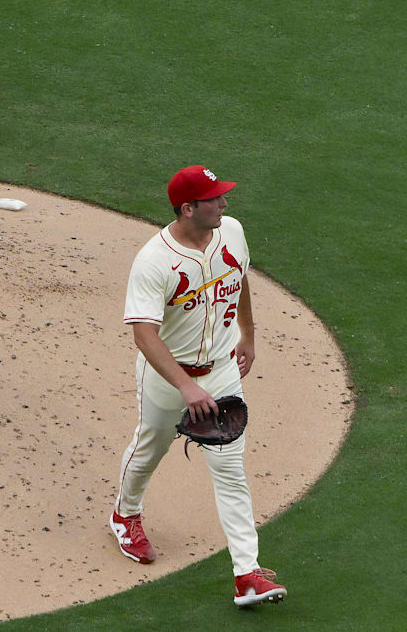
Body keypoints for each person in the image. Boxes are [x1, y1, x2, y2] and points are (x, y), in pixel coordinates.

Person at [110, 165, 287, 607]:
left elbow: (238, 276)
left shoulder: (232, 232)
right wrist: (187, 389)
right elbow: (144, 334)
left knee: (230, 469)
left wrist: (248, 332)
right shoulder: (154, 260)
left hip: (223, 370)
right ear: (188, 208)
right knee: (151, 446)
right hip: (170, 377)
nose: (225, 205)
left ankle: (246, 574)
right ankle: (125, 513)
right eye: (215, 199)